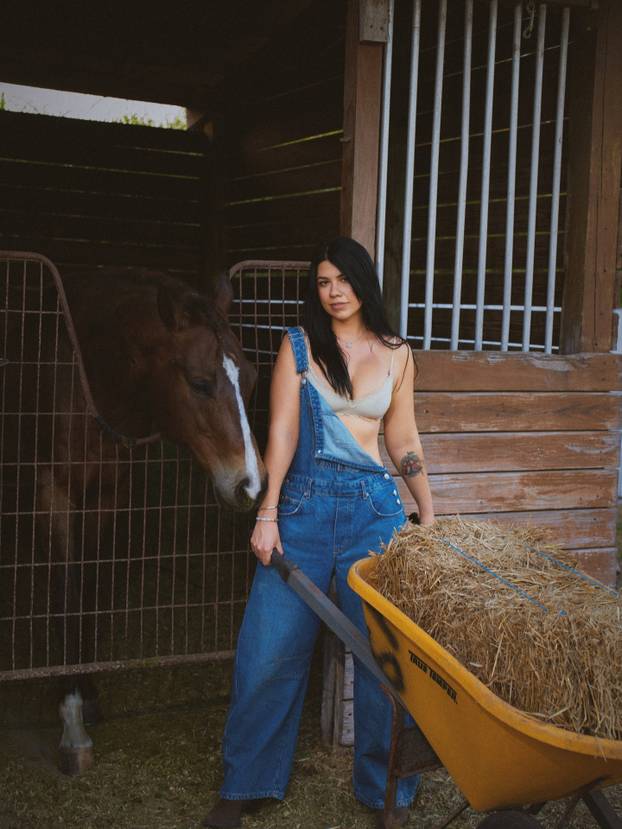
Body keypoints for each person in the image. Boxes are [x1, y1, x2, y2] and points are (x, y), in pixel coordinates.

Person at [203, 237, 435, 828]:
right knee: (268, 652)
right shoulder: (299, 346)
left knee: (384, 661)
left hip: (374, 514)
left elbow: (402, 439)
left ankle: (385, 794)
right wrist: (268, 512)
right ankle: (244, 785)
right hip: (301, 511)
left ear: (364, 281)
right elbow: (281, 433)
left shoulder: (398, 353)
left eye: (343, 280)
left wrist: (428, 514)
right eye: (324, 282)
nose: (334, 292)